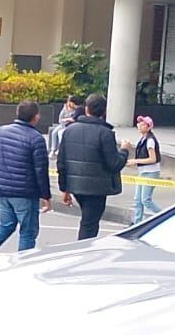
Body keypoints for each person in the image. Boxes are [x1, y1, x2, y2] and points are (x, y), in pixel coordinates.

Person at [0, 100, 52, 259]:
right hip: (24, 192)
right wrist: (46, 196)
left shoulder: (0, 131)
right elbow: (41, 170)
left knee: (7, 224)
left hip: (0, 187)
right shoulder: (36, 138)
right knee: (28, 230)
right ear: (36, 117)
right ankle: (23, 260)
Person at [57, 92, 130, 241]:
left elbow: (61, 162)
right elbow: (114, 164)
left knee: (87, 221)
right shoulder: (105, 133)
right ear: (104, 112)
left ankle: (83, 252)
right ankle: (83, 254)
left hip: (75, 185)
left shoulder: (70, 130)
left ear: (86, 109)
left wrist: (64, 188)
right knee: (89, 225)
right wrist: (124, 150)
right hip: (97, 188)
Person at [128, 115, 163, 223]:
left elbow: (153, 159)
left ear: (148, 127)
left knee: (145, 200)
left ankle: (162, 216)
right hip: (143, 172)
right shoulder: (143, 139)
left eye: (143, 124)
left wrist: (136, 161)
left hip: (151, 172)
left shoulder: (150, 140)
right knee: (138, 200)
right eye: (139, 124)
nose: (139, 126)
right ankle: (137, 223)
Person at [48, 93, 82, 158]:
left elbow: (73, 119)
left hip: (69, 124)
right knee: (54, 132)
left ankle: (60, 149)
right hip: (63, 124)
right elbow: (60, 118)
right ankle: (53, 149)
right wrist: (63, 122)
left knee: (60, 133)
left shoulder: (77, 110)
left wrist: (66, 120)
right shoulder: (65, 108)